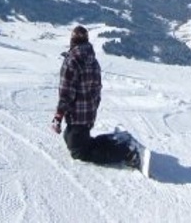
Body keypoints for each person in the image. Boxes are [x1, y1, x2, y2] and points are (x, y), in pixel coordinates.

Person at [51, 25, 141, 169]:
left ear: (72, 41)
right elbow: (97, 89)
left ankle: (126, 152)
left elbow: (66, 94)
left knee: (80, 152)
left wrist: (58, 116)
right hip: (88, 114)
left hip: (77, 116)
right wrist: (92, 108)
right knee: (70, 137)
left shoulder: (71, 62)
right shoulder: (93, 60)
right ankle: (116, 140)